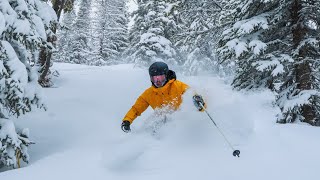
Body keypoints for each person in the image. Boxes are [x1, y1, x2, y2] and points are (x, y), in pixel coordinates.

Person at [121, 61, 206, 133]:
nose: (157, 81)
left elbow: (191, 93)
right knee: (151, 126)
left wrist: (198, 100)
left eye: (160, 77)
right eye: (154, 78)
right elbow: (136, 108)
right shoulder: (149, 93)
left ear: (166, 75)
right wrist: (127, 120)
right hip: (161, 123)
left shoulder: (178, 86)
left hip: (181, 122)